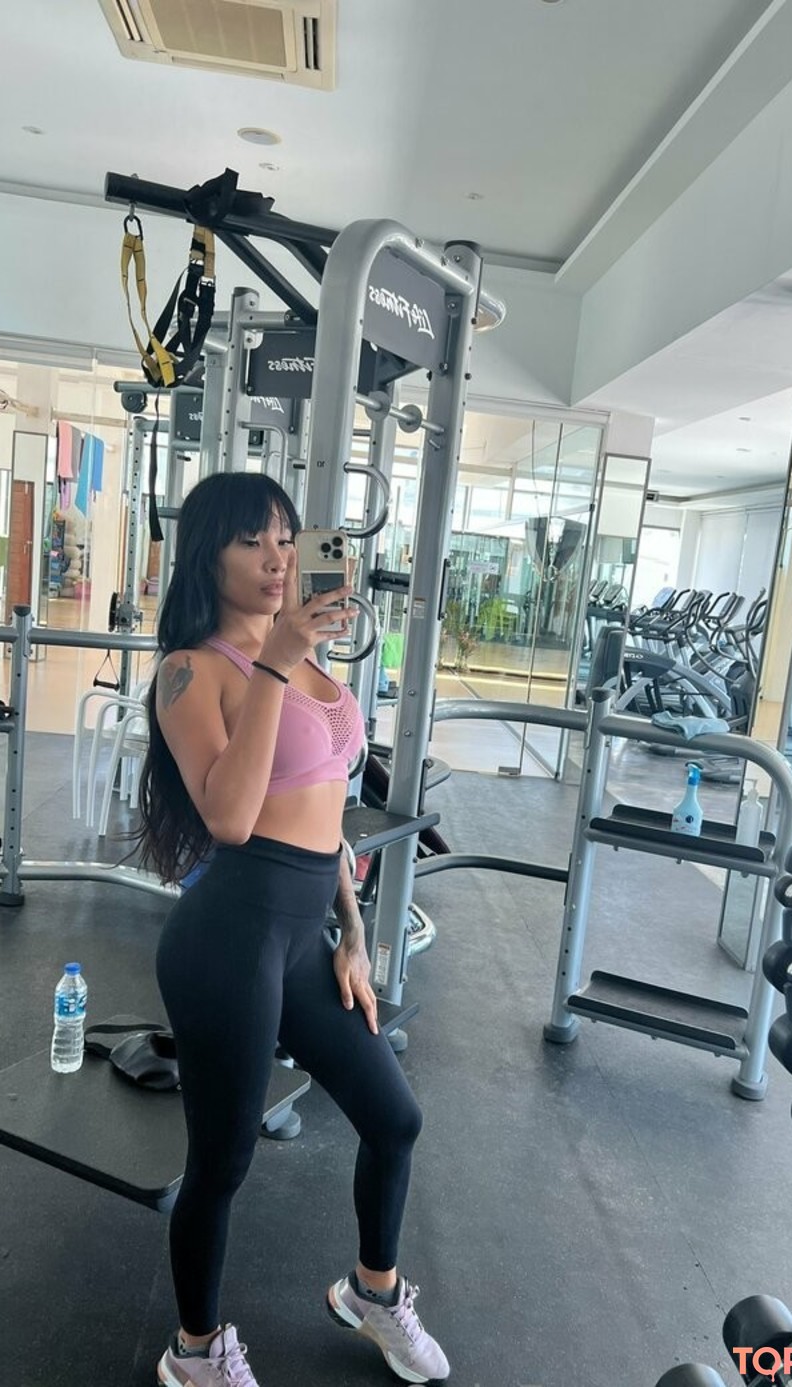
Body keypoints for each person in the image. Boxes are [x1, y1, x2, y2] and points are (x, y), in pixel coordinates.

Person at [137, 472, 449, 1387]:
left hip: (307, 927)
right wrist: (274, 659)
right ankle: (195, 1351)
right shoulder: (192, 670)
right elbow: (231, 819)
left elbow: (326, 815)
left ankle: (372, 1293)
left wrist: (352, 930)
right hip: (225, 941)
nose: (277, 557)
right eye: (252, 541)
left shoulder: (310, 658)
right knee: (223, 1161)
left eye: (285, 536)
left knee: (394, 1118)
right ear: (209, 557)